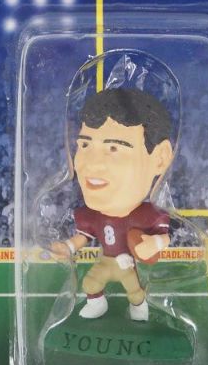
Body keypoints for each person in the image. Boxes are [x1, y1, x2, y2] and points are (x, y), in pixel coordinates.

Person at [50, 88, 173, 321]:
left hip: (126, 264)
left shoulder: (145, 215)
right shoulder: (93, 215)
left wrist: (154, 243)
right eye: (85, 145)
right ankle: (97, 305)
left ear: (159, 158)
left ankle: (139, 309)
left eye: (114, 148)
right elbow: (83, 237)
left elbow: (165, 237)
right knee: (90, 283)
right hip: (105, 261)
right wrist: (67, 248)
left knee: (134, 292)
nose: (92, 164)